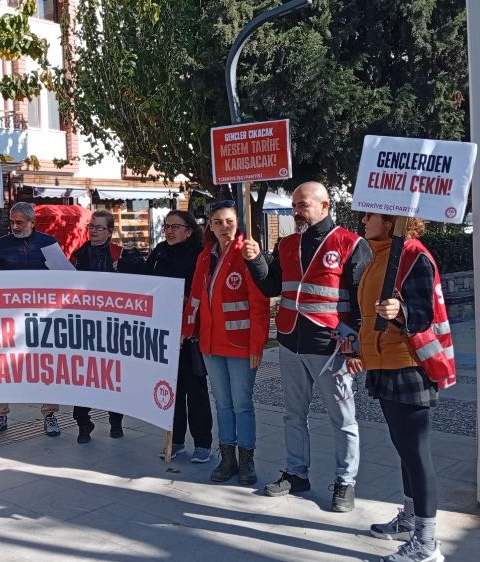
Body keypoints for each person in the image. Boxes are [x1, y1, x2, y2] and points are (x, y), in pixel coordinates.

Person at [242, 181, 370, 512]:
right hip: (290, 342)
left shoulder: (351, 244)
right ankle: (297, 473)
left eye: (303, 204)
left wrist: (356, 349)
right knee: (293, 414)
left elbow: (362, 303)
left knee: (343, 418)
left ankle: (345, 481)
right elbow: (272, 286)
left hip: (331, 347)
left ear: (325, 206)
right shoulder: (287, 243)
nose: (296, 210)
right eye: (294, 205)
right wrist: (255, 260)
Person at [357, 213, 454, 562]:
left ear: (390, 221)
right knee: (404, 450)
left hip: (407, 366)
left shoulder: (414, 256)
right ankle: (411, 520)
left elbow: (424, 314)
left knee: (416, 454)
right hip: (383, 362)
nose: (363, 220)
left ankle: (426, 544)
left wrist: (401, 311)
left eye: (370, 215)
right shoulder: (380, 255)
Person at [183, 200, 270, 483]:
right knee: (222, 403)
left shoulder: (246, 252)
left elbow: (259, 304)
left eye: (229, 221)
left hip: (240, 345)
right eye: (217, 222)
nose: (224, 227)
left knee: (242, 404)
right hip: (210, 344)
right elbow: (195, 296)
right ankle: (227, 457)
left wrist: (257, 344)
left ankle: (246, 460)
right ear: (209, 225)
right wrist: (186, 329)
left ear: (238, 222)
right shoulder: (205, 255)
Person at [0, 201, 65, 437]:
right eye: (12, 222)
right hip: (9, 317)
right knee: (2, 364)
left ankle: (50, 414)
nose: (14, 227)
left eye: (19, 222)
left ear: (32, 223)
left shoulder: (48, 244)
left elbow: (65, 277)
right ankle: (0, 415)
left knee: (46, 364)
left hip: (43, 317)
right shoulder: (3, 244)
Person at [143, 210, 214, 464]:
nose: (170, 231)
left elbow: (203, 290)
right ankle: (176, 440)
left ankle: (203, 443)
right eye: (167, 226)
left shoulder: (200, 254)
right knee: (172, 389)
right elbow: (146, 282)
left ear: (189, 230)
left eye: (176, 226)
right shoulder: (159, 252)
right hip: (165, 330)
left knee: (195, 389)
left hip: (191, 331)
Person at [69, 210, 143, 443]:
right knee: (83, 377)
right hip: (84, 325)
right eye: (91, 226)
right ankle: (83, 424)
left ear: (110, 231)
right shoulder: (78, 255)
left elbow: (140, 283)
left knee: (112, 376)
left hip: (113, 326)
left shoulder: (121, 254)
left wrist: (125, 266)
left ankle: (116, 421)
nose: (93, 230)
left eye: (99, 227)